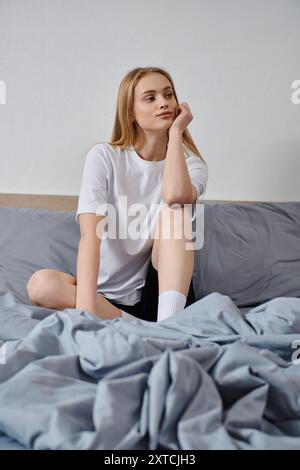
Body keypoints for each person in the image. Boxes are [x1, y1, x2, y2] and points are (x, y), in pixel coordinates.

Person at [27, 66, 208, 322]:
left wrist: (177, 133)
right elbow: (90, 235)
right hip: (105, 300)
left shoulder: (192, 166)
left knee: (176, 213)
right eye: (151, 97)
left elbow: (175, 195)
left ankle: (170, 329)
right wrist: (87, 312)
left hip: (159, 298)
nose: (164, 103)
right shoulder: (104, 157)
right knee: (41, 284)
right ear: (130, 112)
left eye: (169, 95)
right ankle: (140, 327)